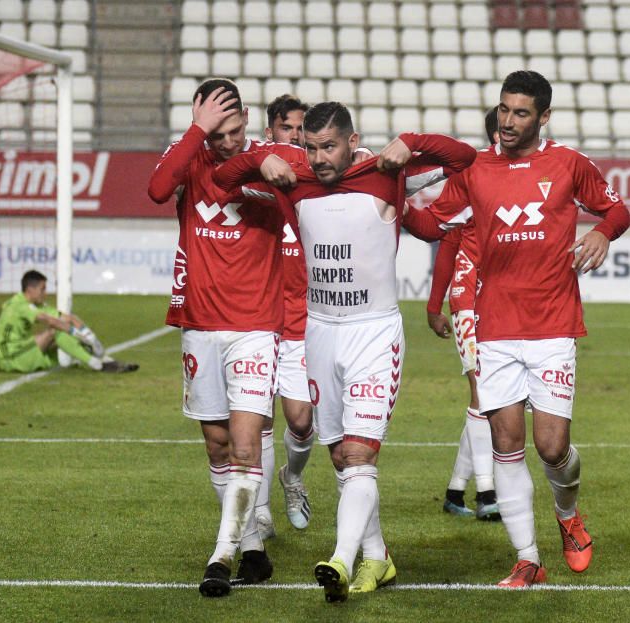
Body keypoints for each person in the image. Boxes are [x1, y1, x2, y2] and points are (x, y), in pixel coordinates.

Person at [214, 101, 475, 601]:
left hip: (373, 332)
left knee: (359, 453)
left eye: (328, 146)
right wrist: (258, 162)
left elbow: (464, 157)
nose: (318, 158)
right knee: (339, 456)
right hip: (320, 332)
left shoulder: (385, 172)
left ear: (352, 142)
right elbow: (224, 180)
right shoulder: (295, 182)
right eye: (310, 148)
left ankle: (340, 556)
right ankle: (377, 558)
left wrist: (412, 140)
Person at [410, 71, 630, 587]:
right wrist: (386, 198)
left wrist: (601, 232)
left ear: (543, 117)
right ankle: (527, 559)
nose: (508, 122)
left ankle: (567, 514)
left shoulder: (569, 164)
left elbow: (617, 208)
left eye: (521, 113)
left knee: (552, 448)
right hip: (495, 331)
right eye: (504, 110)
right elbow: (430, 227)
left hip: (553, 326)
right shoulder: (476, 170)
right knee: (505, 443)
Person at [146, 78, 306, 597]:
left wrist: (254, 163)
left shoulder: (268, 160)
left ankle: (221, 557)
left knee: (244, 445)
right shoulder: (188, 155)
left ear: (248, 123)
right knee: (216, 446)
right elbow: (154, 189)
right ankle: (255, 548)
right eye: (219, 133)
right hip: (200, 327)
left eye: (236, 130)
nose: (229, 141)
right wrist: (197, 132)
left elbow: (290, 186)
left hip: (255, 329)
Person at [425, 107, 500, 521]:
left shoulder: (520, 176)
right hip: (470, 296)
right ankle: (487, 494)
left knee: (488, 397)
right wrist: (435, 304)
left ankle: (457, 489)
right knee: (484, 395)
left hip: (503, 299)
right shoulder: (472, 174)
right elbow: (448, 242)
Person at [252, 93, 315, 541]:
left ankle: (292, 479)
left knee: (301, 421)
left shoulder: (315, 174)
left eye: (300, 130)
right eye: (286, 128)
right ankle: (259, 513)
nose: (293, 138)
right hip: (256, 315)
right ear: (270, 129)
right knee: (259, 420)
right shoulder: (255, 168)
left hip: (299, 319)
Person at [0, 270, 137, 374]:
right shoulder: (19, 305)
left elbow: (69, 318)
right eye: (42, 289)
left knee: (64, 336)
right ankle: (96, 364)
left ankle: (103, 360)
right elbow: (51, 321)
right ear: (30, 289)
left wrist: (91, 337)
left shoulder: (34, 304)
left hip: (21, 349)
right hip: (10, 358)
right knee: (55, 331)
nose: (45, 293)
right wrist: (77, 334)